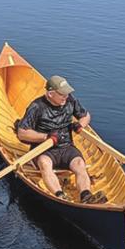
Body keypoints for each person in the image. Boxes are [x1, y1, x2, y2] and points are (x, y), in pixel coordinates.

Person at [17, 75, 107, 204]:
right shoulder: (37, 106)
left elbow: (86, 116)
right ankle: (59, 195)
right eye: (62, 94)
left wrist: (80, 124)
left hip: (66, 147)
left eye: (67, 93)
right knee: (44, 164)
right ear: (50, 94)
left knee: (80, 165)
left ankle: (86, 196)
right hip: (44, 148)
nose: (65, 96)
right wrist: (46, 137)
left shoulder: (70, 100)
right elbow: (22, 133)